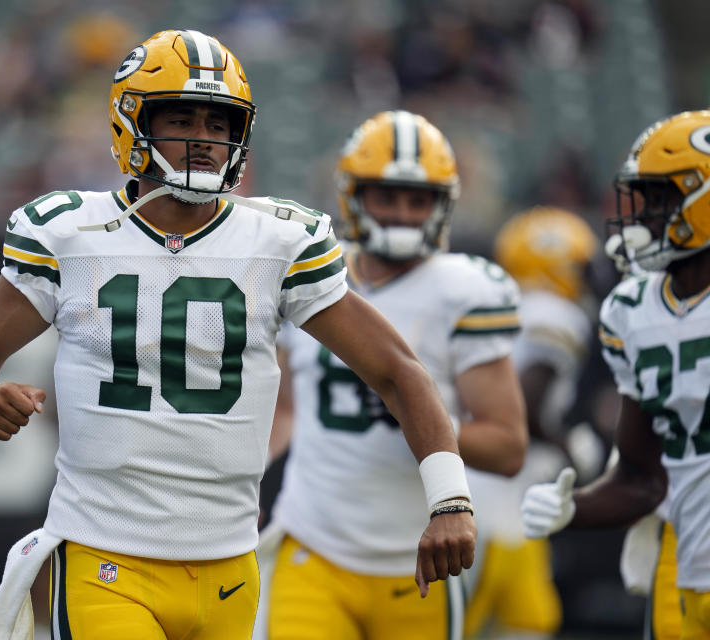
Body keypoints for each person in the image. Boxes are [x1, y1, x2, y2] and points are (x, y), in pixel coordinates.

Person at [0, 31, 477, 640]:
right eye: (182, 119)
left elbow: (398, 371)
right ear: (130, 123)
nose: (203, 139)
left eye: (218, 124)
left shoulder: (279, 243)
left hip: (229, 567)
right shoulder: (71, 233)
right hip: (102, 552)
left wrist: (449, 497)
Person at [261, 110, 527, 640]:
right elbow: (287, 409)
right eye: (388, 195)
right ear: (354, 196)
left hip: (422, 559)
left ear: (442, 204)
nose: (403, 213)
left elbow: (507, 445)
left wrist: (421, 421)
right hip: (313, 545)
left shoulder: (464, 291)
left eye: (418, 199)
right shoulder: (311, 275)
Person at [521, 110, 710, 640]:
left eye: (659, 199)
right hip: (683, 562)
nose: (643, 216)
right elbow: (640, 479)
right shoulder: (632, 309)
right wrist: (570, 508)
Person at [462, 206, 599, 639]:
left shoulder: (502, 304)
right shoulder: (556, 315)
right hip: (497, 502)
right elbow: (525, 399)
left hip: (498, 496)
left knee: (531, 618)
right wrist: (566, 444)